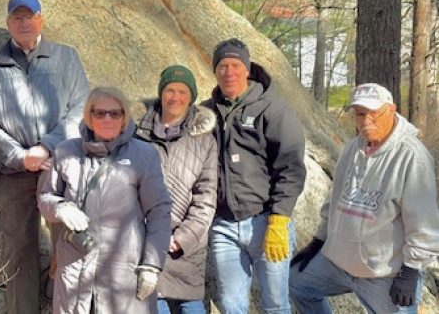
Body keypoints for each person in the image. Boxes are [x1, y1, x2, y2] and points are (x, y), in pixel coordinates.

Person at [0, 0, 89, 313]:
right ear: (8, 23)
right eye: (17, 17)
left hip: (61, 168)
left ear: (41, 19)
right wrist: (19, 156)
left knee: (69, 250)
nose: (24, 23)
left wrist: (45, 146)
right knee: (19, 254)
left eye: (30, 16)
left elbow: (80, 108)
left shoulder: (66, 57)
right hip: (15, 173)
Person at [290, 83, 439, 314]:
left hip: (384, 274)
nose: (366, 120)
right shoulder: (353, 148)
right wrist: (318, 242)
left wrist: (411, 271)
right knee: (297, 283)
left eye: (374, 113)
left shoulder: (412, 156)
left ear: (391, 110)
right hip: (338, 264)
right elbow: (335, 199)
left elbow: (424, 224)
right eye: (360, 113)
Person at [38, 86, 172, 313]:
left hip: (121, 273)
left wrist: (152, 264)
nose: (107, 118)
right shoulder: (65, 151)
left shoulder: (143, 155)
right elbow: (45, 197)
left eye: (114, 113)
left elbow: (159, 211)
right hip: (74, 269)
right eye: (99, 113)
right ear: (89, 117)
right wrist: (60, 207)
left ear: (124, 117)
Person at [200, 38, 306, 313]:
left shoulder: (273, 110)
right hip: (223, 225)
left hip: (265, 222)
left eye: (235, 65)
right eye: (222, 66)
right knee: (231, 304)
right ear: (215, 71)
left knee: (275, 304)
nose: (229, 72)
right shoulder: (206, 112)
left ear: (247, 69)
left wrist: (279, 219)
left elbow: (291, 168)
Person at [134, 65, 218, 314]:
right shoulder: (138, 134)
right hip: (146, 244)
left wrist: (182, 238)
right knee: (152, 305)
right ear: (161, 93)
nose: (175, 97)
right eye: (170, 90)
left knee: (191, 307)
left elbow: (206, 198)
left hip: (185, 251)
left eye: (182, 91)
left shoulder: (205, 141)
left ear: (191, 96)